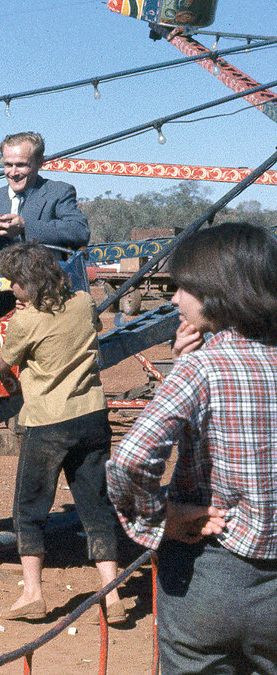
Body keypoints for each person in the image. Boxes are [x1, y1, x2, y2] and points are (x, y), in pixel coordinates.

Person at [106, 223, 277, 673]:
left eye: (184, 287)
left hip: (213, 571)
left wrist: (160, 515)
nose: (176, 298)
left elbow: (129, 460)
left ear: (217, 292)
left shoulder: (202, 368)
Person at [0, 243, 123, 624]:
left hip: (49, 422)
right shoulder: (82, 300)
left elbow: (2, 361)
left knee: (30, 509)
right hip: (93, 416)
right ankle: (112, 594)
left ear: (27, 283)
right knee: (95, 505)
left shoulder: (25, 322)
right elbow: (84, 330)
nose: (11, 290)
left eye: (14, 283)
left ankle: (33, 594)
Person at [0, 132, 89, 318]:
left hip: (41, 278)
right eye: (8, 165)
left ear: (40, 162)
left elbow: (79, 230)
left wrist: (25, 227)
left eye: (21, 165)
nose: (13, 172)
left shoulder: (58, 193)